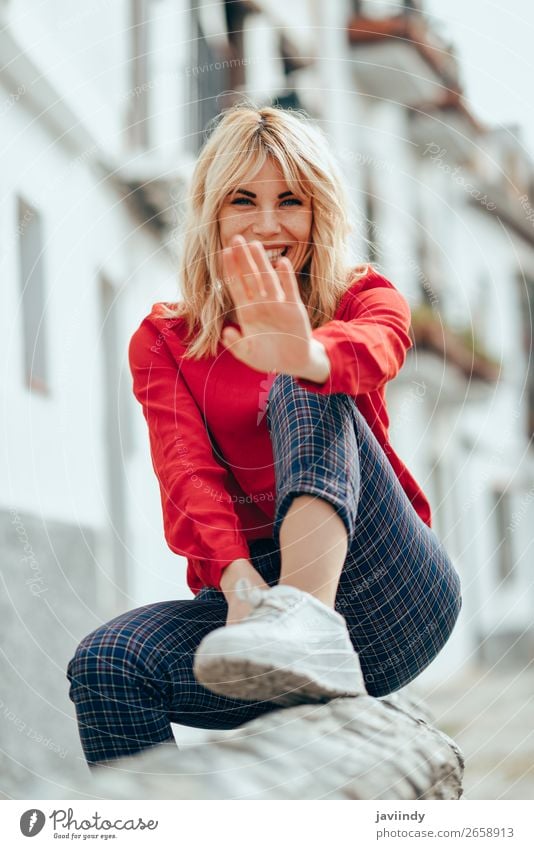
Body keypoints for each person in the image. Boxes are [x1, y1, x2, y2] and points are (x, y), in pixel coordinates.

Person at [67, 104, 462, 767]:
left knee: (301, 378)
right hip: (252, 601)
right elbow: (185, 471)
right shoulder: (165, 338)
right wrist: (241, 588)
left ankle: (309, 618)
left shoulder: (364, 294)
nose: (269, 222)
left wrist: (305, 354)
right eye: (244, 199)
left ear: (320, 214)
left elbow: (380, 347)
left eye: (292, 201)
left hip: (389, 594)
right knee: (106, 664)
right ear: (213, 213)